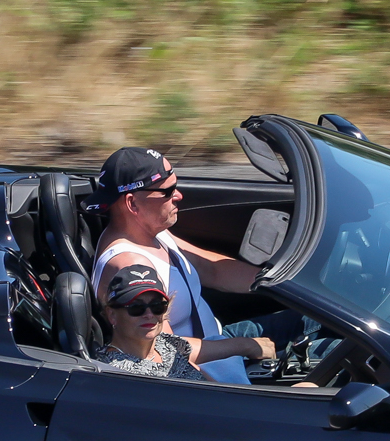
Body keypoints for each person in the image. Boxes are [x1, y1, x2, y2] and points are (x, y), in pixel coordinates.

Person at [87, 145, 303, 387]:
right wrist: (244, 348)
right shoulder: (132, 266)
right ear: (132, 204)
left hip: (217, 341)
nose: (178, 195)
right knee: (335, 354)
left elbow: (213, 268)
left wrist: (288, 282)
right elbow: (165, 354)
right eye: (167, 192)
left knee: (317, 318)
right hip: (207, 367)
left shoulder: (149, 234)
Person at [88, 264, 273, 382]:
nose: (149, 314)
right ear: (112, 315)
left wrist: (249, 345)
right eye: (136, 308)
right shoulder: (118, 373)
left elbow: (202, 349)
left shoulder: (162, 344)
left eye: (157, 306)